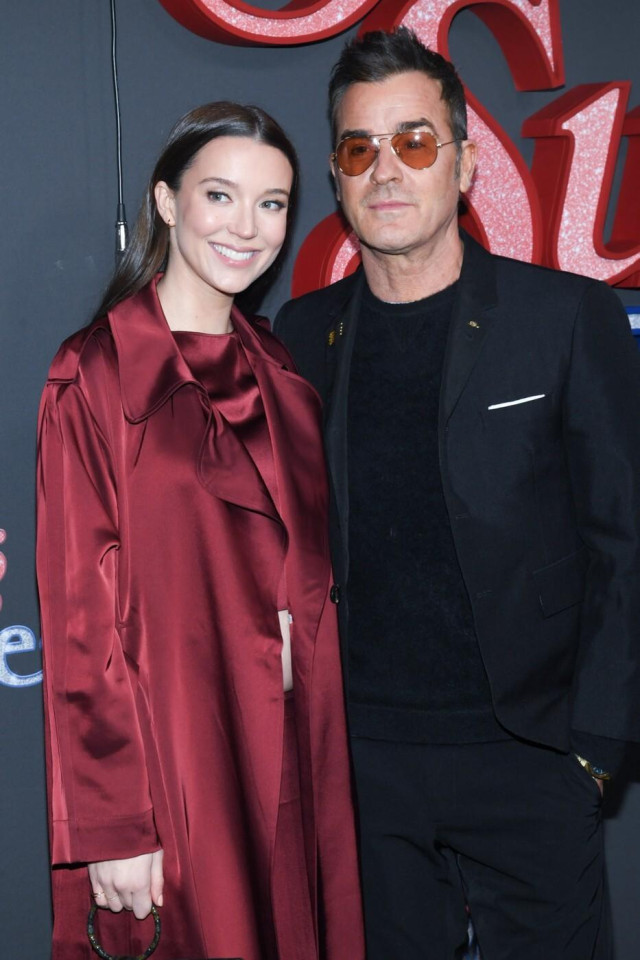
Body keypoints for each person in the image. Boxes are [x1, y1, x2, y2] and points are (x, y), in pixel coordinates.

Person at [275, 28, 640, 960]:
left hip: (530, 757)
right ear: (336, 176)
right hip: (366, 768)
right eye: (360, 148)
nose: (386, 170)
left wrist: (594, 750)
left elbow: (625, 540)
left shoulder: (564, 317)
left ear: (465, 165)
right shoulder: (301, 334)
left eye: (414, 141)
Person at [36, 101, 364, 960]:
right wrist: (115, 823)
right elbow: (79, 623)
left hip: (300, 755)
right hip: (180, 769)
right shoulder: (95, 376)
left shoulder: (284, 372)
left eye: (271, 203)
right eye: (220, 195)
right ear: (168, 202)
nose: (246, 227)